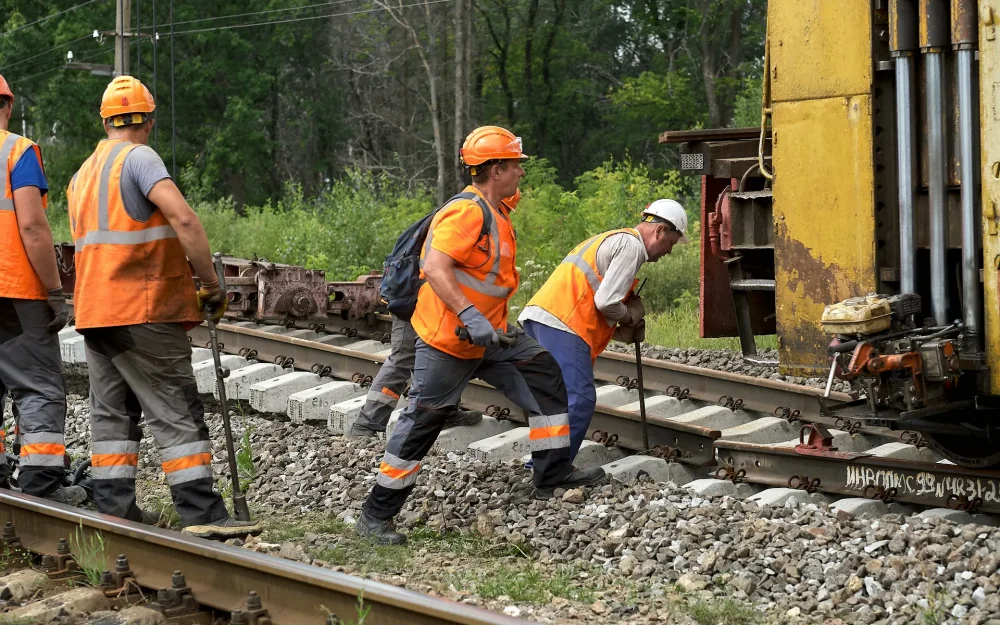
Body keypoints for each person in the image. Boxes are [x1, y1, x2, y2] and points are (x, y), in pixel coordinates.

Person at [357, 126, 605, 545]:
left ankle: (552, 473)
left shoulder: (497, 209)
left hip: (492, 336)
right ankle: (376, 514)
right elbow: (435, 267)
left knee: (544, 373)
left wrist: (486, 322)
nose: (521, 174)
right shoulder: (467, 212)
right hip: (451, 341)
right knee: (423, 422)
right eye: (514, 166)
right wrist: (471, 315)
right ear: (495, 169)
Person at [67, 75, 260, 539]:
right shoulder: (140, 158)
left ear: (106, 120)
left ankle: (115, 509)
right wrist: (212, 284)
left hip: (95, 312)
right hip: (142, 309)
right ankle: (202, 514)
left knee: (111, 412)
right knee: (175, 407)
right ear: (148, 121)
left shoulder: (83, 173)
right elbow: (185, 220)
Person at [518, 200, 688, 460]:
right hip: (563, 323)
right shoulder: (631, 246)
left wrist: (621, 332)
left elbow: (594, 308)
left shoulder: (614, 239)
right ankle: (554, 469)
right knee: (580, 400)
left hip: (542, 318)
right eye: (672, 243)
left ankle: (540, 464)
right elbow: (606, 302)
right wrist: (629, 315)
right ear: (660, 231)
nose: (669, 251)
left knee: (554, 403)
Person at [346, 192, 521, 439]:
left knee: (445, 350)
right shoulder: (469, 212)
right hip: (416, 297)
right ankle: (366, 425)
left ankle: (446, 412)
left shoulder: (482, 213)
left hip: (434, 300)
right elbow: (438, 266)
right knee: (404, 358)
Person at [0, 74, 85, 505]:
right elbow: (31, 225)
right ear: (8, 107)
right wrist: (55, 290)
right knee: (37, 388)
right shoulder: (17, 150)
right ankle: (41, 484)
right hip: (13, 292)